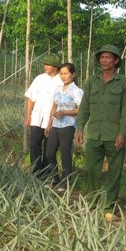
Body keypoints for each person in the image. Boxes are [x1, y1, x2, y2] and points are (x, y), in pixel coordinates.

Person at [75, 45, 126, 221]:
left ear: (116, 61)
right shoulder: (92, 81)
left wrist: (122, 133)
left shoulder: (123, 82)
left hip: (114, 135)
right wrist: (80, 127)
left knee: (114, 173)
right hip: (94, 134)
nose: (105, 60)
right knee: (91, 170)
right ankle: (92, 204)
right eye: (102, 57)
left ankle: (108, 208)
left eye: (109, 57)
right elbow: (84, 106)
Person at [45, 62, 83, 192]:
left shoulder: (77, 91)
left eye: (66, 73)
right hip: (55, 124)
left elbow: (80, 110)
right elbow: (54, 106)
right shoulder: (58, 89)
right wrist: (49, 123)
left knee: (65, 153)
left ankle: (66, 182)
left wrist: (65, 112)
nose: (63, 76)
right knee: (49, 153)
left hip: (68, 125)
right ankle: (54, 179)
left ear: (73, 75)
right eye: (61, 73)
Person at [24, 53, 63, 177]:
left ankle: (47, 173)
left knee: (49, 148)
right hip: (37, 118)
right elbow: (31, 97)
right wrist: (28, 115)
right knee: (34, 144)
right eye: (45, 64)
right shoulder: (39, 78)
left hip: (52, 120)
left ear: (56, 67)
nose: (45, 66)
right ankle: (36, 172)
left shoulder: (62, 81)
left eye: (48, 64)